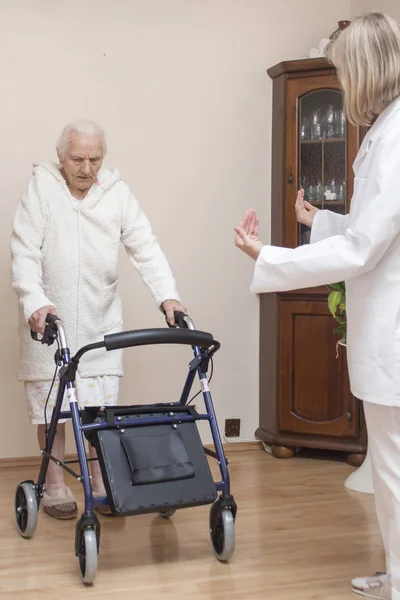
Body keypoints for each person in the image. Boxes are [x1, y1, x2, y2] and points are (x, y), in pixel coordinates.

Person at [235, 12, 400, 600]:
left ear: (364, 71)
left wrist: (271, 257)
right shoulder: (386, 135)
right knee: (388, 468)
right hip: (385, 332)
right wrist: (319, 220)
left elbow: (362, 248)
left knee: (393, 469)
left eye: (344, 72)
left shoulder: (395, 139)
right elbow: (368, 228)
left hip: (392, 336)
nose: (343, 83)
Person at [11, 120, 186, 520]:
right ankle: (55, 485)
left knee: (95, 412)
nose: (87, 168)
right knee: (51, 412)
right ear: (61, 157)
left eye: (95, 158)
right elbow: (24, 252)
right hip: (49, 326)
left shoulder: (116, 193)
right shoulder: (41, 189)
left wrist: (168, 296)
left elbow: (145, 246)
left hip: (99, 319)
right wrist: (35, 302)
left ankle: (99, 482)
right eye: (77, 159)